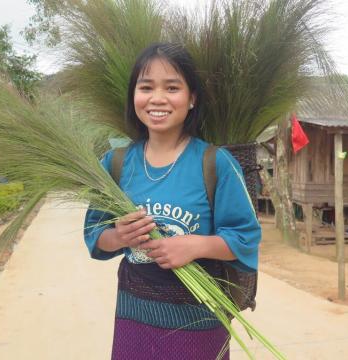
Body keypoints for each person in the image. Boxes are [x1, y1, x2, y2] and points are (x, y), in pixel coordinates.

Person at [84, 43, 261, 360]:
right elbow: (96, 236)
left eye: (172, 87)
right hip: (133, 316)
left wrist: (195, 246)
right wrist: (120, 236)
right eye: (146, 87)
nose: (157, 98)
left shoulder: (215, 163)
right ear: (133, 96)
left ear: (191, 98)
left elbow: (246, 237)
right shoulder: (116, 163)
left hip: (199, 322)